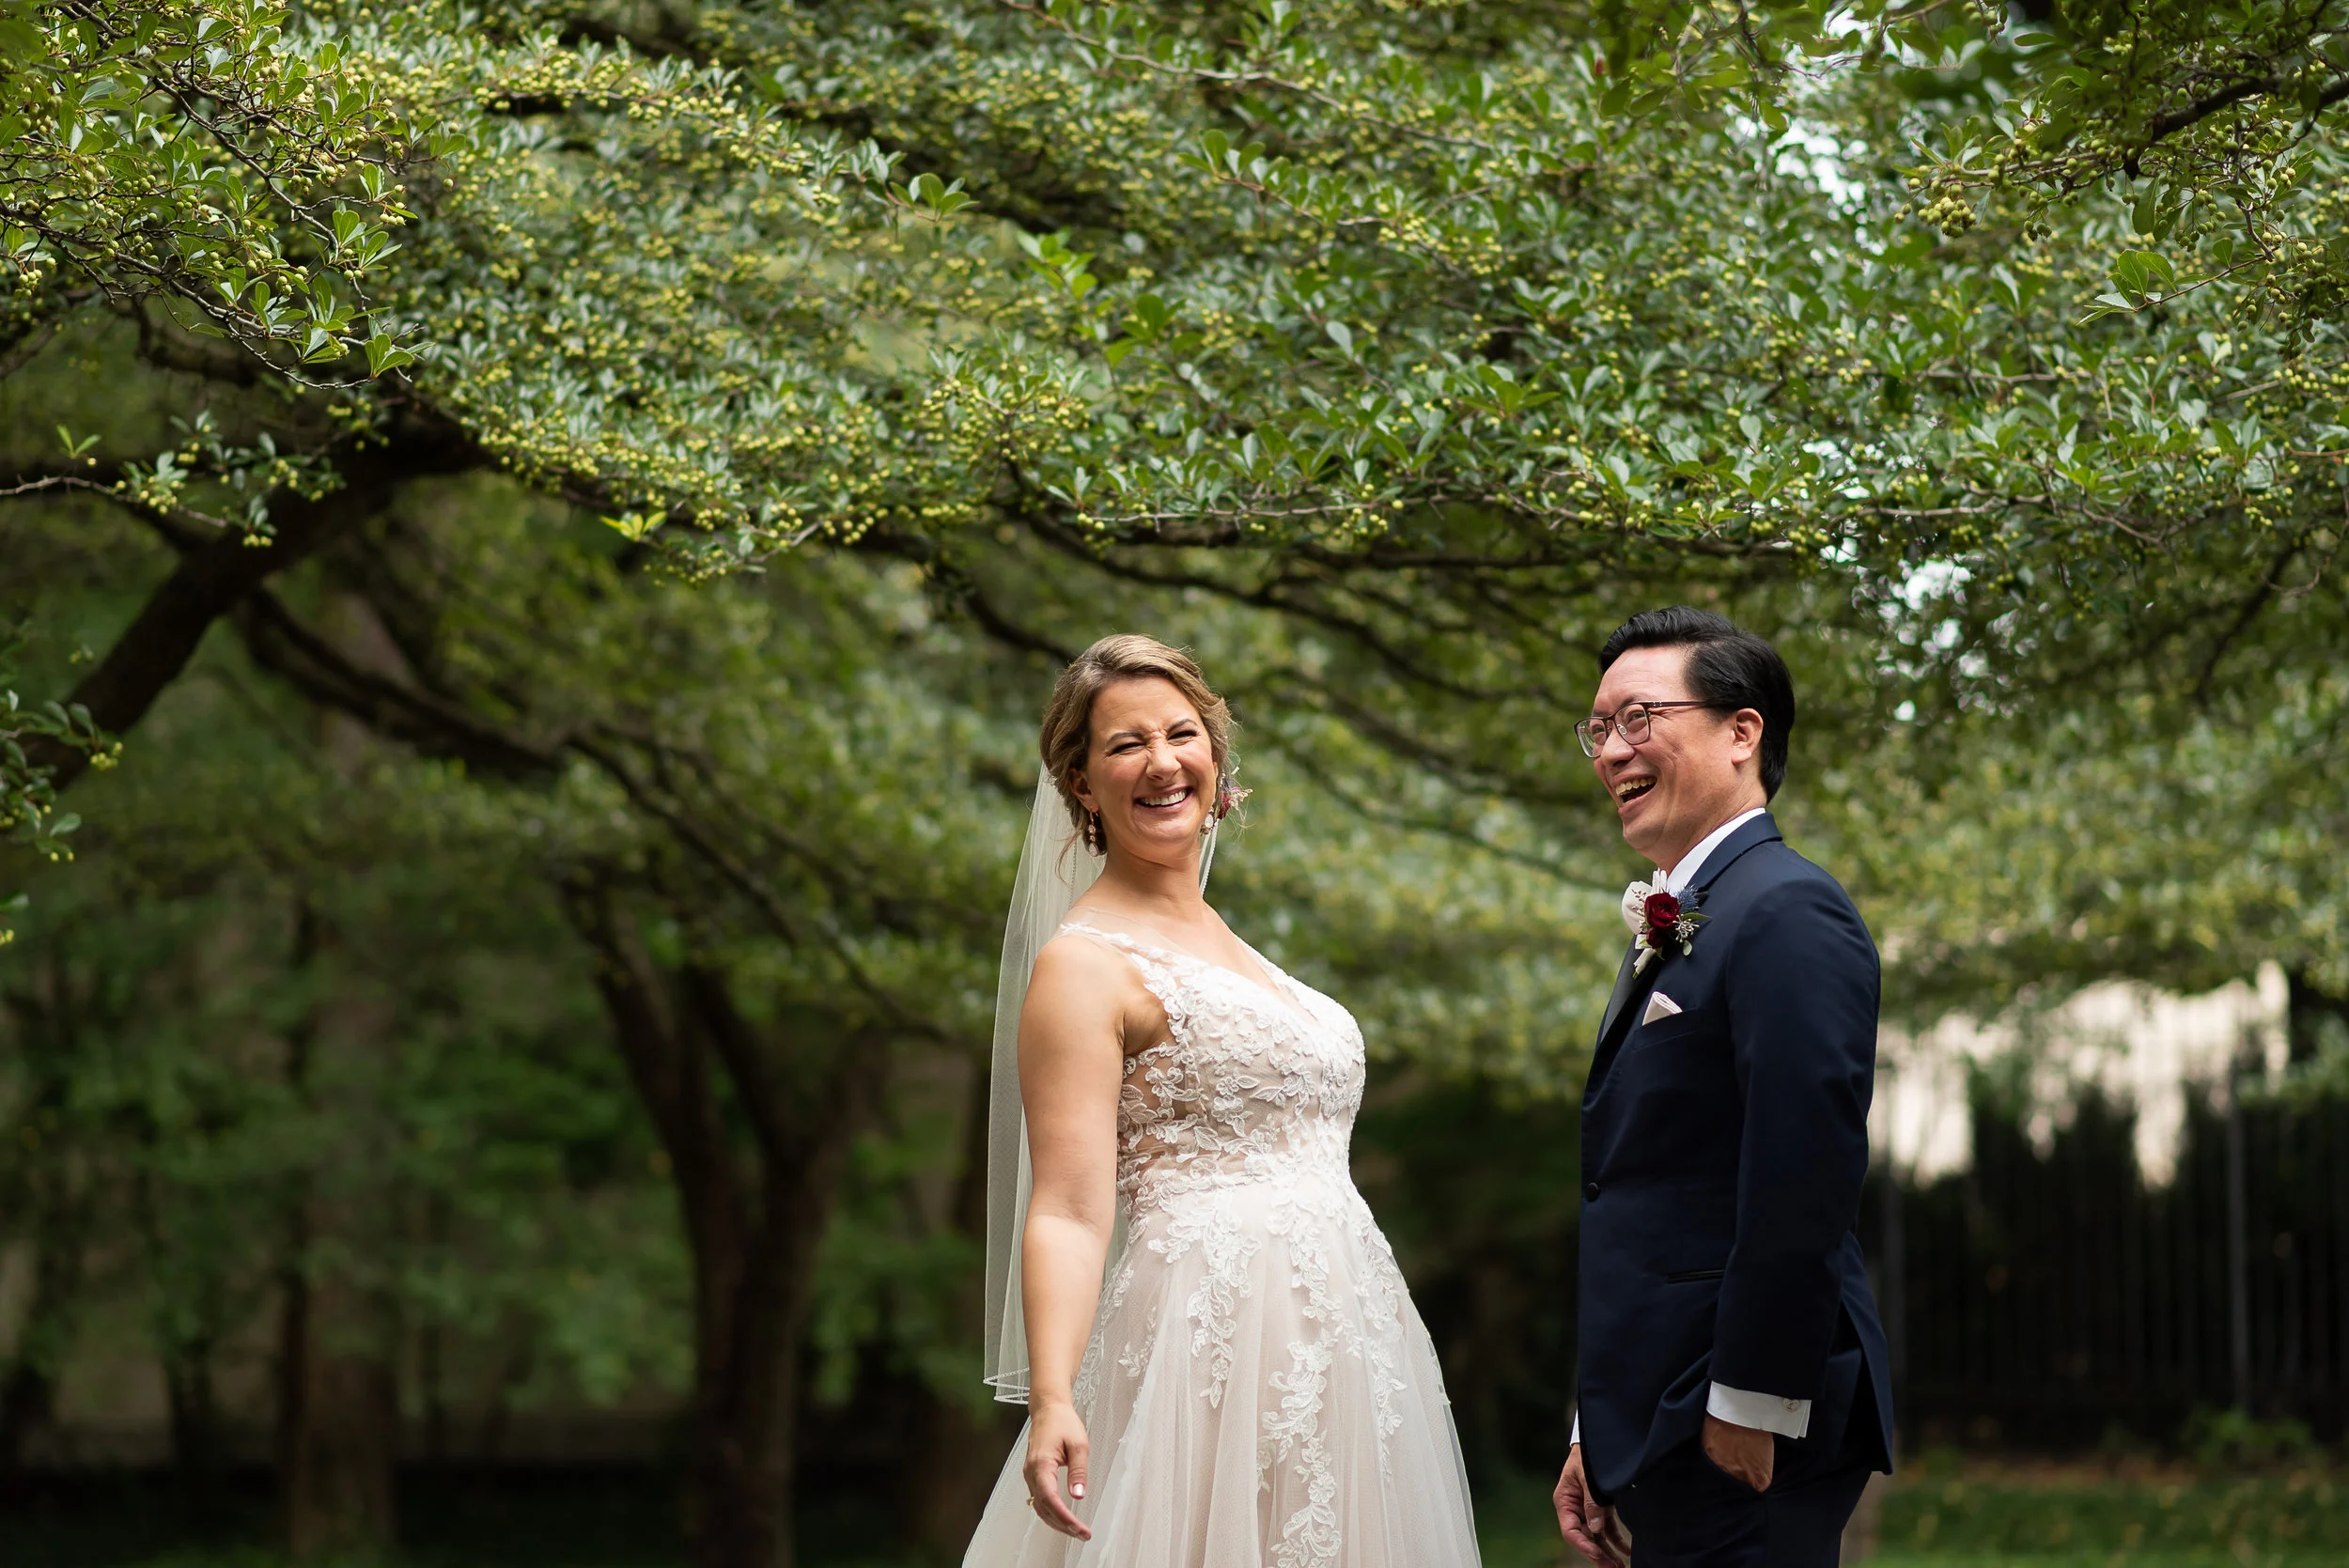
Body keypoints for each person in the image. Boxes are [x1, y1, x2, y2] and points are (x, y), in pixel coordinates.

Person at [963, 634, 1482, 1568]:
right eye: (1125, 745)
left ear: (1213, 756)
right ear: (1081, 785)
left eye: (1180, 733)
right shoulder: (1082, 967)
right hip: (1204, 1340)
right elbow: (1072, 1209)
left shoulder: (1231, 943)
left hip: (1349, 1338)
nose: (1161, 762)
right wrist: (1052, 1396)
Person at [1552, 607, 1895, 1567]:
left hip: (1739, 1418)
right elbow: (1643, 1199)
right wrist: (1594, 1423)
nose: (1610, 750)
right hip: (1658, 1412)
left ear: (1741, 731)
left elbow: (1802, 1172)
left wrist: (1752, 1401)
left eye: (1638, 718)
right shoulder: (1684, 913)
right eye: (1598, 729)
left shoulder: (1786, 907)